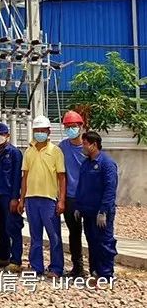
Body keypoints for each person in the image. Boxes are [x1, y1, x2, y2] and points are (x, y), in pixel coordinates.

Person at [20, 115, 66, 278]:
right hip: (31, 199)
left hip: (49, 199)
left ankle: (56, 268)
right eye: (37, 130)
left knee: (54, 236)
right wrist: (22, 199)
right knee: (35, 236)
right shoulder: (29, 151)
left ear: (48, 132)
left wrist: (61, 200)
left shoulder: (56, 151)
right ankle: (36, 266)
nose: (39, 133)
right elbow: (25, 177)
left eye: (42, 130)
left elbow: (61, 177)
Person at [75, 131, 118, 281]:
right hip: (88, 212)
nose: (83, 147)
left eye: (85, 144)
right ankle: (95, 271)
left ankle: (106, 274)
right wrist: (78, 206)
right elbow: (81, 186)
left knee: (104, 243)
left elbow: (110, 188)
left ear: (94, 145)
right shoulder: (85, 164)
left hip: (101, 213)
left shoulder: (107, 163)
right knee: (92, 242)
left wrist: (103, 210)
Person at [0, 122, 24, 273]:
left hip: (8, 195)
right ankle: (3, 257)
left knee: (12, 227)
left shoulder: (14, 153)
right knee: (0, 227)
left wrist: (15, 198)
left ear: (8, 135)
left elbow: (17, 177)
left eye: (1, 134)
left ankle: (16, 260)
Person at [59, 110, 88, 278]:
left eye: (74, 126)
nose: (71, 130)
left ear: (81, 126)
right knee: (74, 232)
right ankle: (77, 266)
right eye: (68, 127)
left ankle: (98, 268)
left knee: (92, 232)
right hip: (70, 197)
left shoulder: (88, 146)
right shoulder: (62, 147)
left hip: (87, 197)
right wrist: (61, 198)